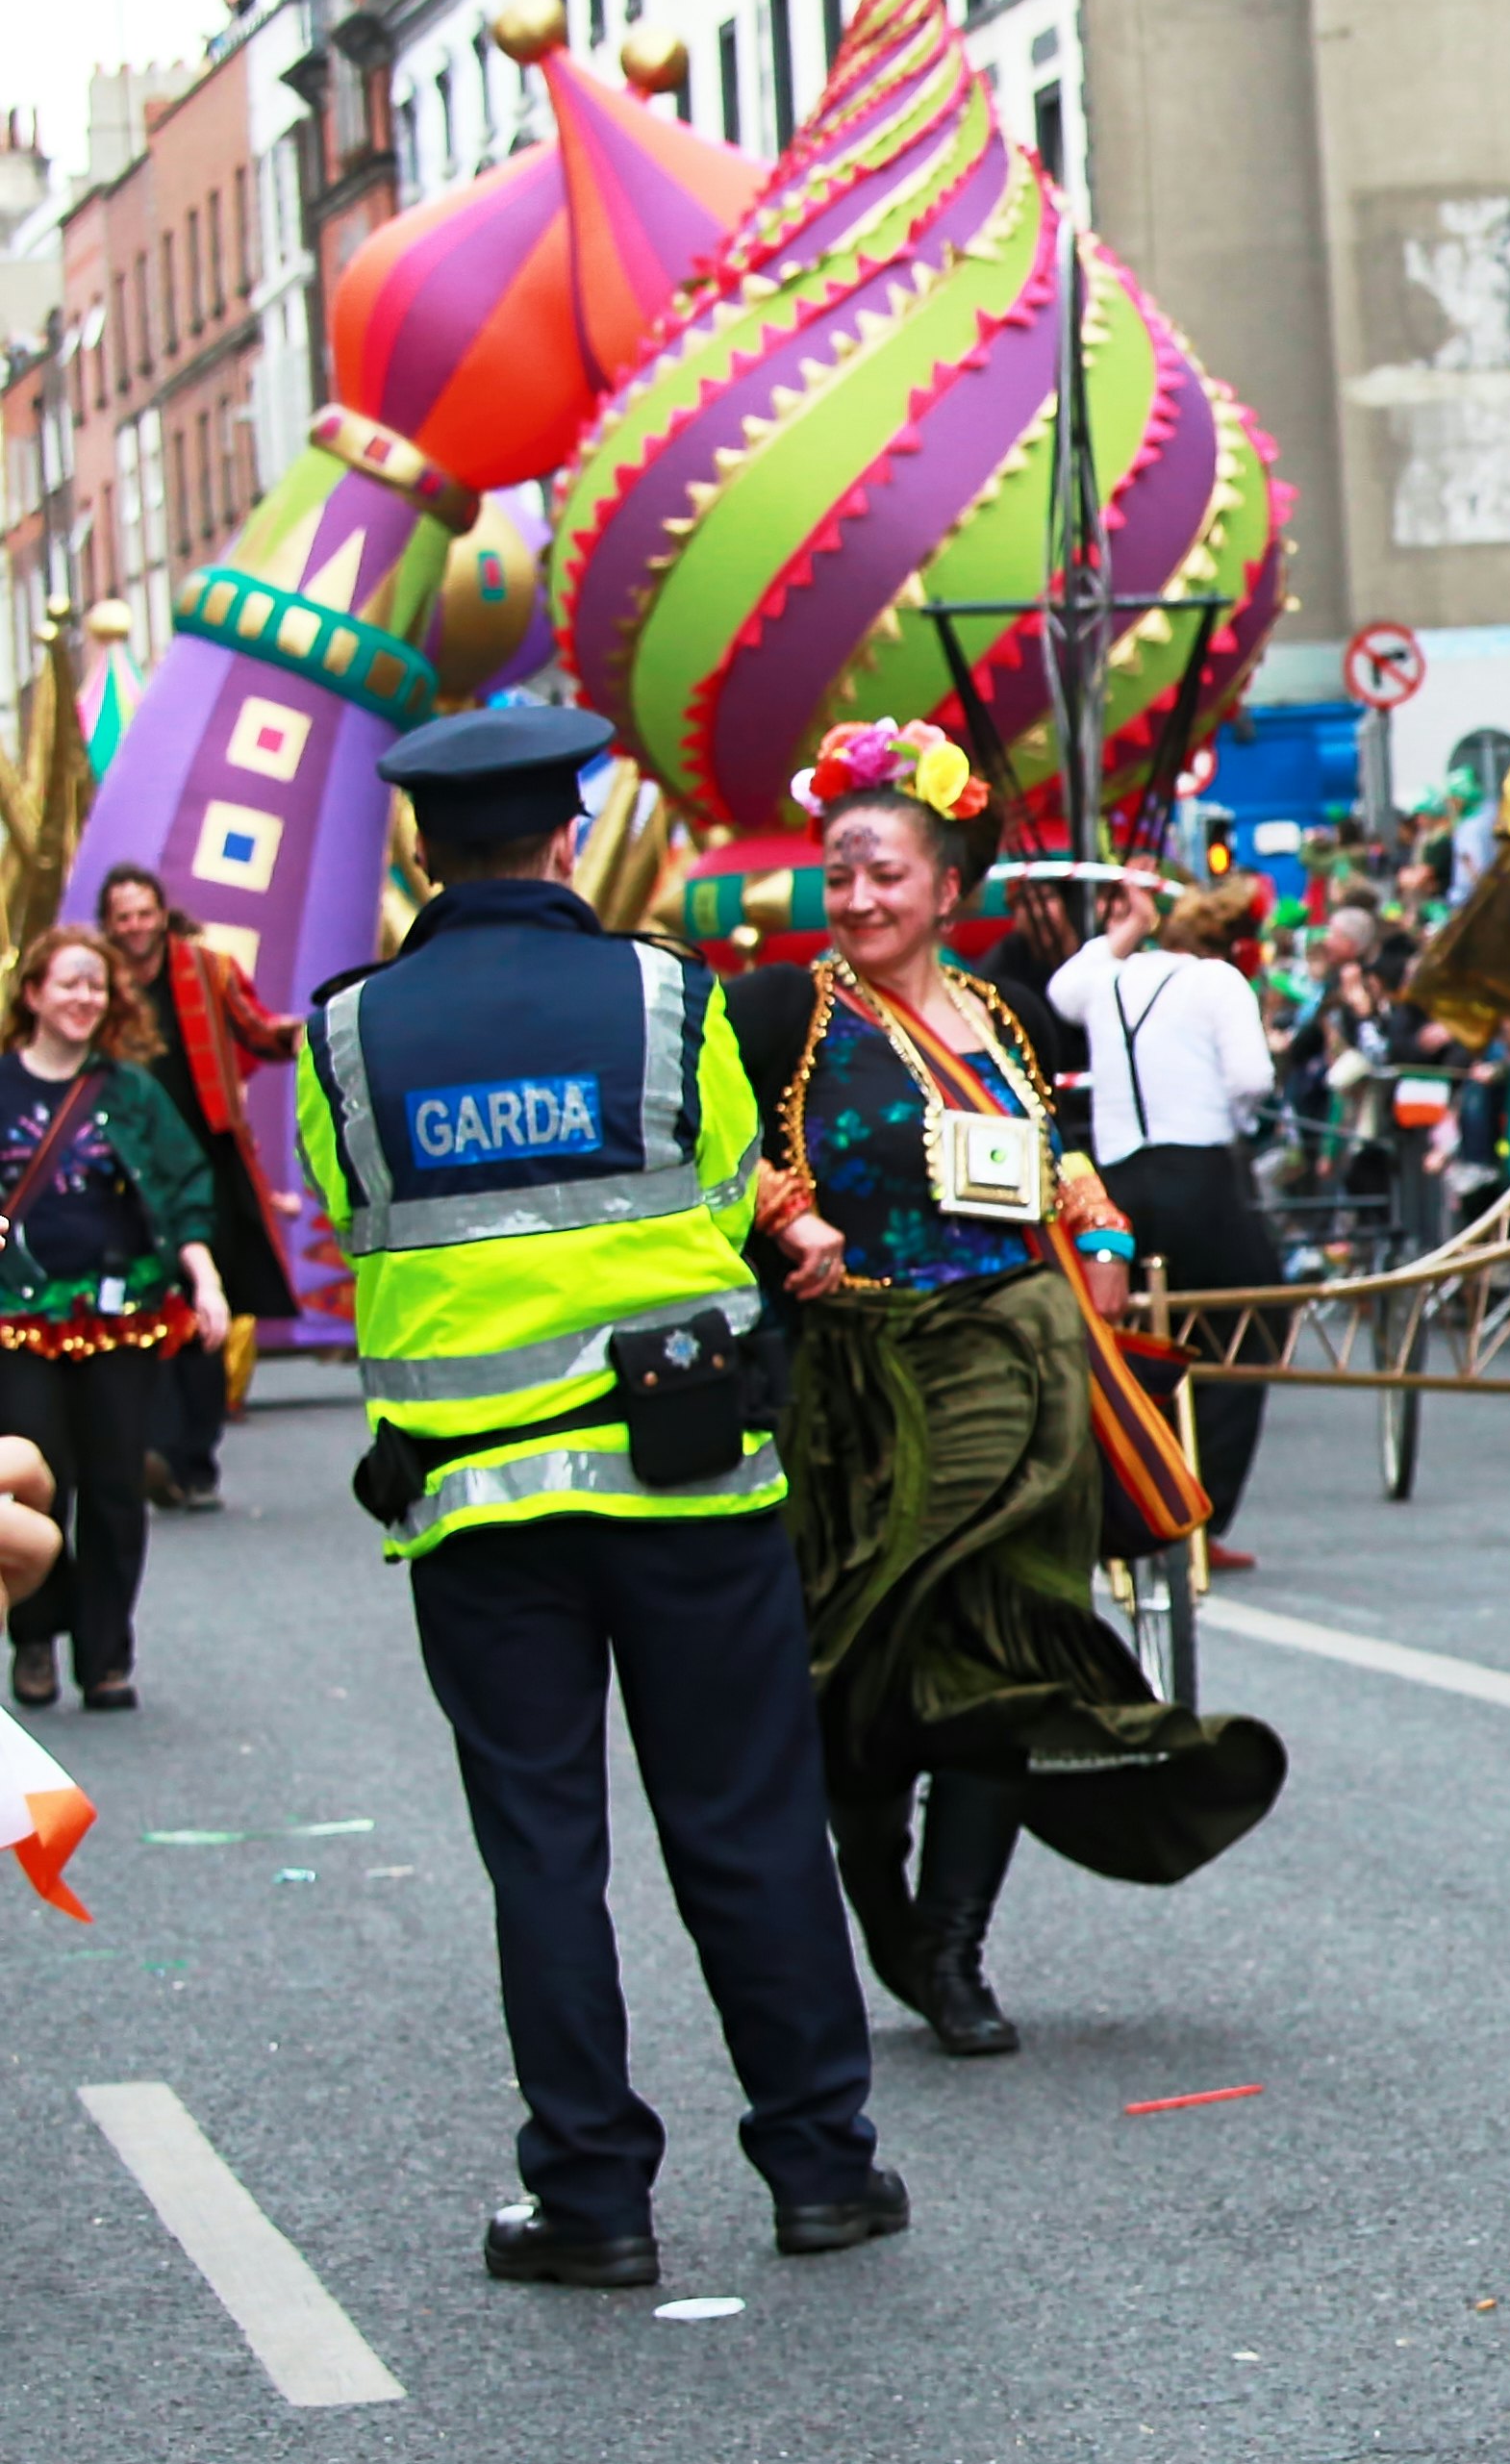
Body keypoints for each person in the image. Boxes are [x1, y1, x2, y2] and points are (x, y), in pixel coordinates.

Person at [294, 700, 903, 2287]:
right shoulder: (664, 994)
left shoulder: (345, 1033)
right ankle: (821, 2166)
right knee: (751, 1822)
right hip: (686, 1472)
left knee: (542, 1847)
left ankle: (593, 2193)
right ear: (566, 831)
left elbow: (350, 1222)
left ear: (423, 848)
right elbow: (721, 1196)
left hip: (474, 1502)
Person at [735, 721, 1288, 2059]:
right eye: (841, 873)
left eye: (887, 874)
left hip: (1009, 1363)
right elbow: (702, 1152)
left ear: (947, 883)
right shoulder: (776, 1014)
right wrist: (781, 1212)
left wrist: (1096, 1234)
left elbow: (1050, 1161)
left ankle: (957, 1940)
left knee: (998, 1646)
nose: (860, 899)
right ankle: (887, 1911)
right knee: (855, 1683)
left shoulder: (1001, 1014)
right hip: (852, 1382)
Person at [0, 932, 230, 1717]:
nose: (84, 998)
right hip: (17, 1316)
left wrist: (205, 1282)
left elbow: (185, 1190)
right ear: (32, 993)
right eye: (69, 984)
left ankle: (106, 1655)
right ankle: (32, 1629)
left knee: (113, 1485)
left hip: (120, 1314)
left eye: (96, 987)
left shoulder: (131, 1093)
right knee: (35, 1475)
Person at [1049, 876, 1285, 1550]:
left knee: (1146, 1338)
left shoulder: (1108, 981)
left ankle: (1140, 1496)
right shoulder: (1219, 983)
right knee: (1251, 1324)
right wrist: (1234, 1114)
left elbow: (1064, 988)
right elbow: (1251, 1079)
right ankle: (1200, 1513)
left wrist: (1126, 926)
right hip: (1200, 1175)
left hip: (1121, 1179)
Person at [93, 866, 290, 1515]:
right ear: (109, 924)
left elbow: (257, 1031)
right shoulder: (102, 983)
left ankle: (193, 1459)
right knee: (150, 1302)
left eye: (143, 913)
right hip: (126, 1166)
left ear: (161, 913)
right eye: (122, 917)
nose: (134, 927)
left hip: (206, 1159)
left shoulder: (209, 971)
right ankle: (157, 1451)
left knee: (209, 1310)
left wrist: (305, 1035)